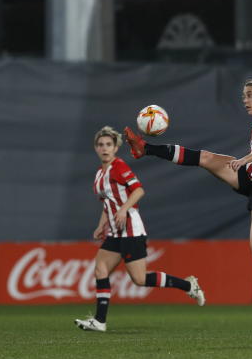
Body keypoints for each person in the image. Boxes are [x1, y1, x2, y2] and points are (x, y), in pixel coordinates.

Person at [123, 79, 252, 319]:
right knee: (207, 157)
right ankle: (144, 148)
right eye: (244, 96)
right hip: (249, 176)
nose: (245, 100)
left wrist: (243, 160)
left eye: (249, 95)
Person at [75, 126, 205, 332]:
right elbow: (106, 202)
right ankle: (99, 321)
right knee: (100, 269)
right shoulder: (100, 173)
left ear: (116, 147)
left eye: (109, 144)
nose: (104, 148)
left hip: (130, 229)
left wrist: (123, 210)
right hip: (115, 231)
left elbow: (138, 190)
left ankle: (189, 286)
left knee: (139, 279)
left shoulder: (118, 166)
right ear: (95, 148)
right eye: (100, 145)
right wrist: (102, 224)